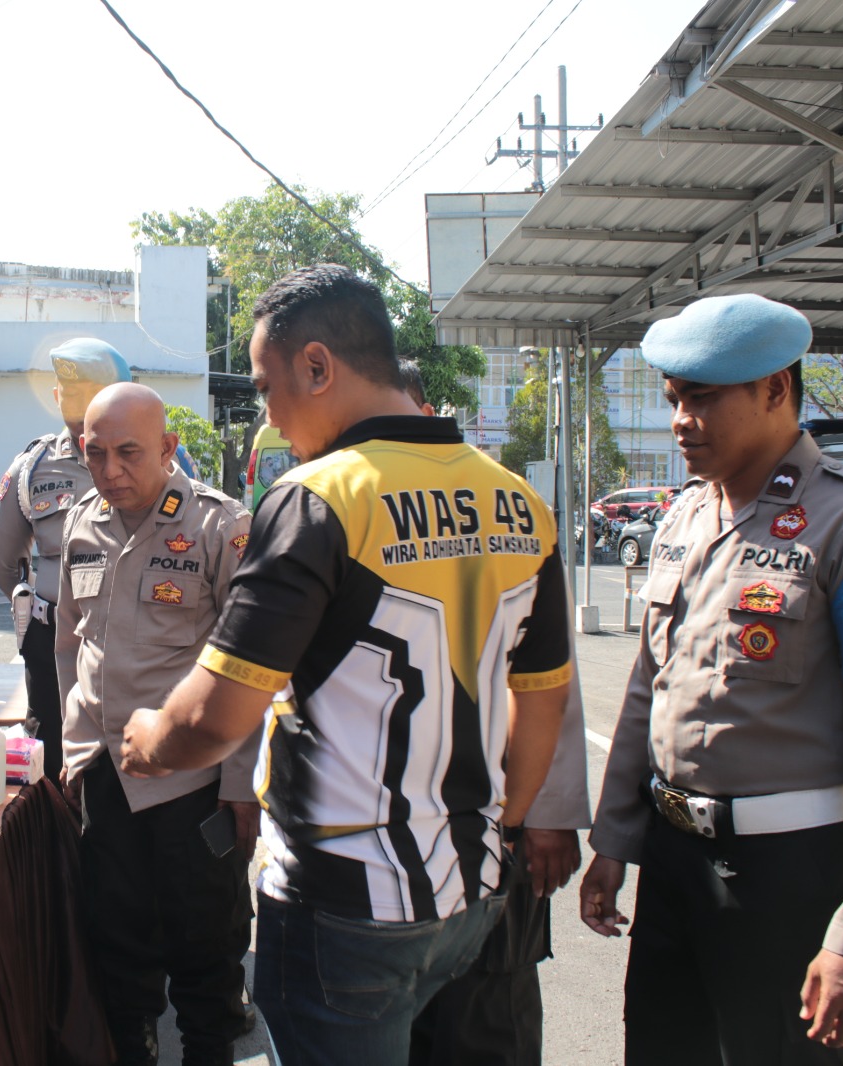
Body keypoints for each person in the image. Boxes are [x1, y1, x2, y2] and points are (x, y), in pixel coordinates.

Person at [120, 264, 572, 1066]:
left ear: (318, 367)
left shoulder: (320, 499)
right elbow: (540, 703)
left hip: (345, 905)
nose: (268, 417)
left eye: (268, 388)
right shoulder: (517, 502)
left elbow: (216, 719)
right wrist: (495, 828)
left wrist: (149, 737)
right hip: (468, 894)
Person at [576, 293, 843, 1064]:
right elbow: (652, 685)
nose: (681, 420)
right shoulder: (682, 518)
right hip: (676, 866)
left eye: (703, 397)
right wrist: (614, 839)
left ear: (775, 388)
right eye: (675, 399)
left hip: (791, 879)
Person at [56, 383, 256, 1066]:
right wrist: (72, 750)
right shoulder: (81, 522)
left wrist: (240, 784)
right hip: (107, 780)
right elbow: (68, 645)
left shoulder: (217, 527)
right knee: (116, 947)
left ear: (169, 449)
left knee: (207, 952)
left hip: (191, 785)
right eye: (96, 454)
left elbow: (252, 667)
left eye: (128, 454)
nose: (110, 471)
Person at [411, 671, 591, 1066]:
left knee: (485, 1010)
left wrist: (548, 812)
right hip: (390, 814)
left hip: (497, 814)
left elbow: (546, 669)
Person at [0, 337, 132, 784]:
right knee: (50, 759)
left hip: (135, 637)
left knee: (125, 758)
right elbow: (5, 564)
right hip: (52, 639)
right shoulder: (32, 467)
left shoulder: (162, 458)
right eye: (66, 395)